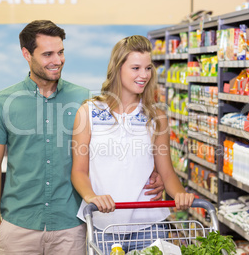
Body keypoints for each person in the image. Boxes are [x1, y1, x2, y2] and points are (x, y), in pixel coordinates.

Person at [0, 20, 164, 255]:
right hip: (19, 225)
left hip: (72, 228)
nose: (57, 60)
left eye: (61, 52)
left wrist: (153, 173)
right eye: (47, 54)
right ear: (26, 54)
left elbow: (120, 149)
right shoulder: (4, 102)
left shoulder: (86, 101)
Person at [71, 35, 195, 253]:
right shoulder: (89, 112)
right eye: (136, 68)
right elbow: (79, 171)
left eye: (148, 68)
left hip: (149, 224)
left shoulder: (156, 116)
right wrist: (92, 197)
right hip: (104, 225)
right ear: (118, 68)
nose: (144, 75)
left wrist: (179, 194)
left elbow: (166, 172)